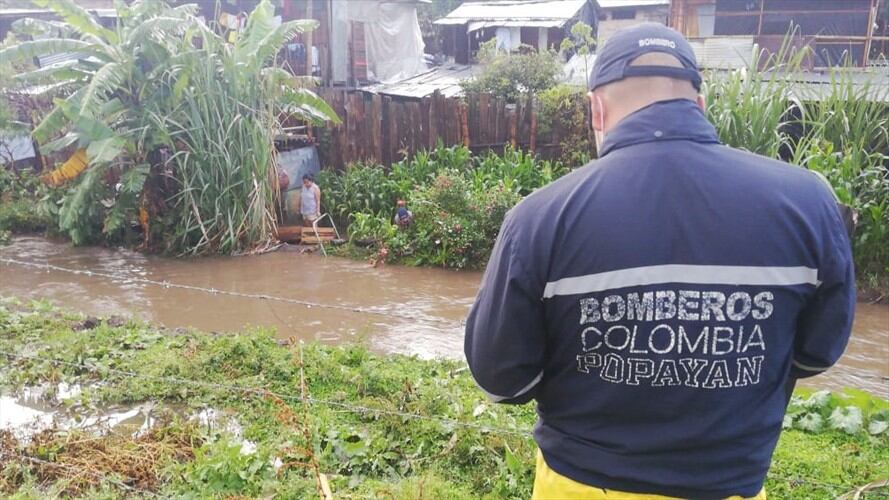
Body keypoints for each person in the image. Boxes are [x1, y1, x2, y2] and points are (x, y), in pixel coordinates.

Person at [464, 23, 854, 500]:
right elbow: (817, 352)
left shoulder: (539, 219)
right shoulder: (809, 203)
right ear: (700, 105)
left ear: (597, 110)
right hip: (729, 488)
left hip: (581, 486)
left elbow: (501, 380)